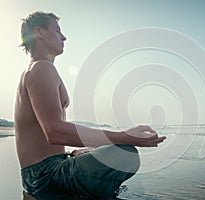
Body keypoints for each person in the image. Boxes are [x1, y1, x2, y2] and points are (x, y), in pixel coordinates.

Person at [14, 11, 166, 199]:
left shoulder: (39, 69)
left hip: (42, 171)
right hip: (44, 176)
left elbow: (48, 135)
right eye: (57, 30)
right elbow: (54, 131)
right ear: (39, 32)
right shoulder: (41, 68)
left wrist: (73, 153)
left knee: (108, 150)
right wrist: (125, 137)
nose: (63, 37)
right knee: (126, 154)